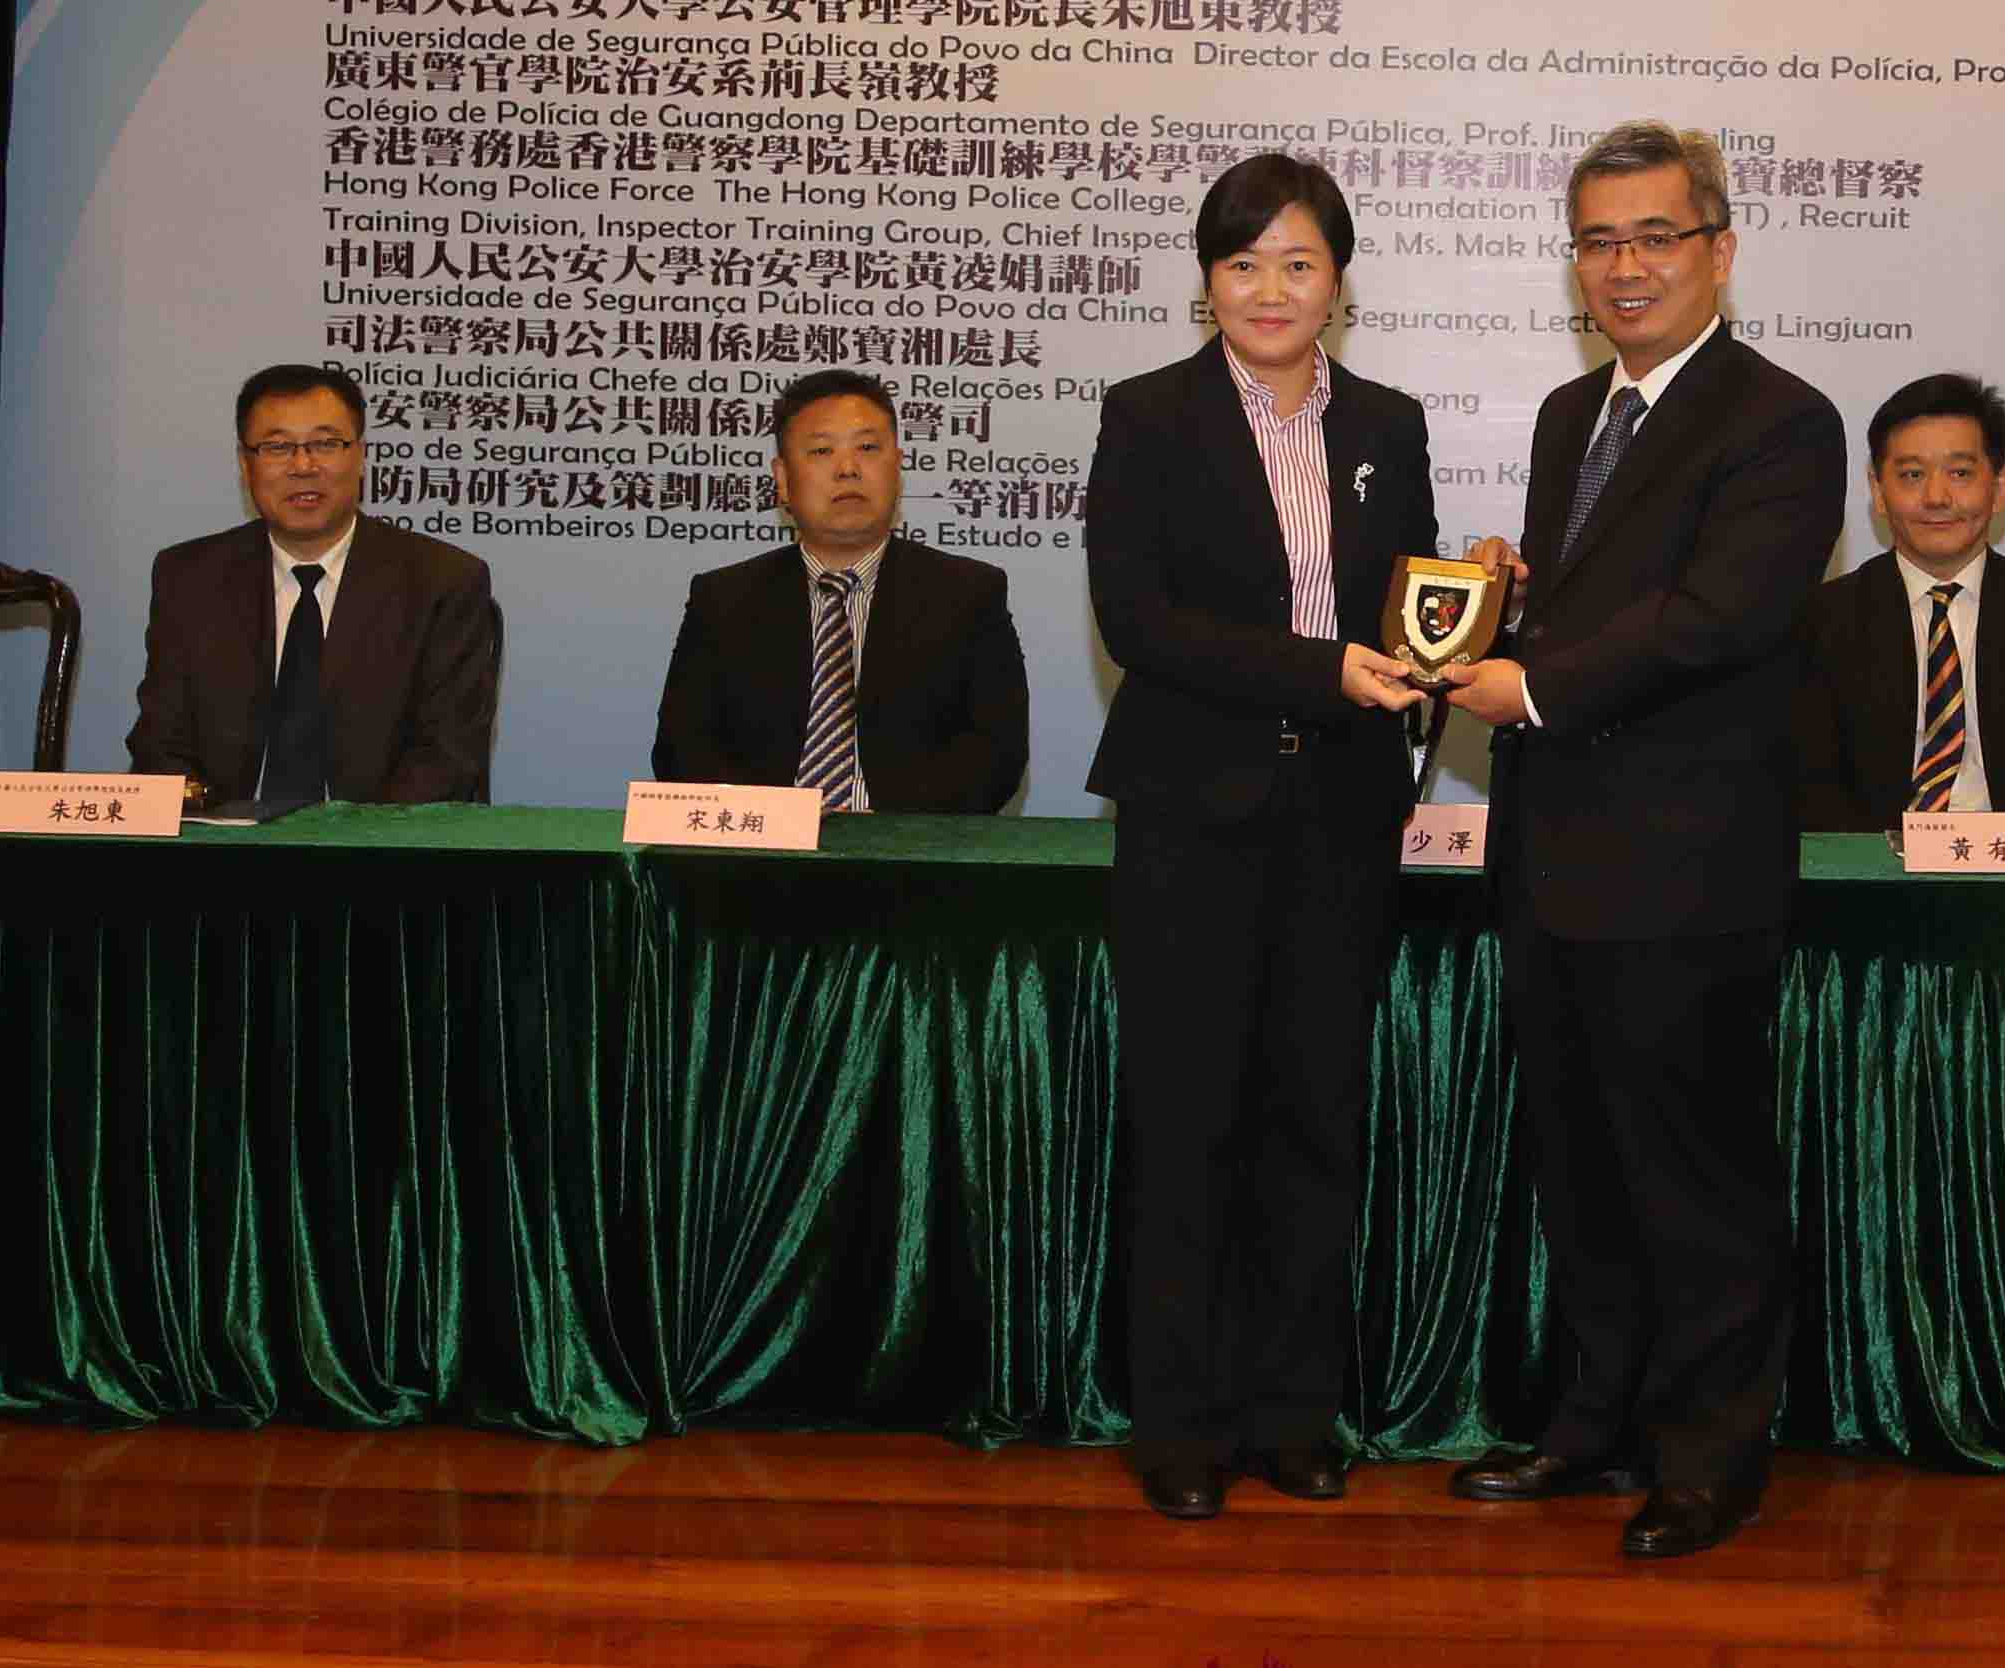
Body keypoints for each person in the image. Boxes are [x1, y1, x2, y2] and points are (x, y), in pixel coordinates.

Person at [1435, 121, 1846, 1562]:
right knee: (1583, 1168)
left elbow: (1718, 619)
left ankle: (1711, 1456)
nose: (1625, 266)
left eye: (1655, 237)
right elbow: (1611, 602)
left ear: (1718, 251)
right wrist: (1512, 603)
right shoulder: (1571, 415)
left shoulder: (1782, 419)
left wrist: (1533, 681)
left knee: (1697, 1176)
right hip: (1554, 857)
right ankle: (1592, 1423)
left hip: (1687, 869)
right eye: (1599, 240)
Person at [1082, 153, 1457, 1521]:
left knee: (1315, 1120)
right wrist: (1320, 670)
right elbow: (1140, 623)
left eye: (1298, 263)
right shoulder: (1148, 416)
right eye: (1243, 264)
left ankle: (1294, 1414)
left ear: (1337, 282)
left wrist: (1473, 602)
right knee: (1189, 1123)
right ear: (1208, 282)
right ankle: (1180, 1426)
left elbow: (1409, 613)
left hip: (1340, 821)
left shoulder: (1388, 427)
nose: (1270, 289)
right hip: (1193, 818)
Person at [121, 362, 501, 806]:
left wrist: (357, 839)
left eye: (326, 443)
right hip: (225, 836)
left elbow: (447, 755)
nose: (303, 466)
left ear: (360, 455)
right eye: (277, 447)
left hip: (380, 840)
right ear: (245, 464)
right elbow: (160, 743)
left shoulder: (442, 581)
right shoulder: (191, 578)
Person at [649, 369, 1027, 811]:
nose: (848, 469)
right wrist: (779, 824)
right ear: (783, 479)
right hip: (760, 845)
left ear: (898, 467)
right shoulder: (722, 600)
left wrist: (885, 833)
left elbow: (996, 757)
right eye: (822, 450)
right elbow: (681, 751)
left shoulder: (969, 595)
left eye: (868, 448)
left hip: (909, 846)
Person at [1791, 374, 2005, 832]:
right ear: (1878, 492)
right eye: (1912, 475)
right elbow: (1810, 797)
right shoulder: (1823, 620)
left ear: (1999, 488)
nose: (1936, 497)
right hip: (1875, 869)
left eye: (1960, 473)